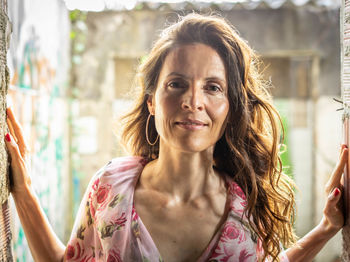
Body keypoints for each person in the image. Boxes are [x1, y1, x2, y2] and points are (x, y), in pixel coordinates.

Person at [4, 13, 348, 262]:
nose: (192, 101)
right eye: (176, 84)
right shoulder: (110, 187)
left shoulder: (245, 210)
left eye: (212, 88)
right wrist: (23, 191)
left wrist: (327, 228)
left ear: (230, 107)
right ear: (152, 100)